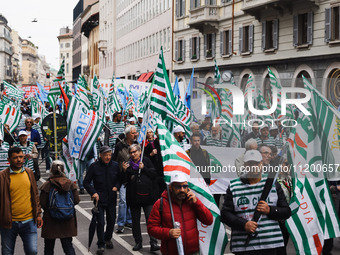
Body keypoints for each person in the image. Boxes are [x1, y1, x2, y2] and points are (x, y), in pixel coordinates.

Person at [221, 150, 291, 255]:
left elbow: (286, 211)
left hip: (270, 245)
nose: (253, 166)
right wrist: (244, 224)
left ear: (262, 164)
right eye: (250, 163)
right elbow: (225, 214)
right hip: (243, 246)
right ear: (245, 165)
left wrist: (270, 210)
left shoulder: (272, 183)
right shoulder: (234, 186)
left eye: (256, 163)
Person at [147, 172, 213, 255]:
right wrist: (168, 233)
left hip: (193, 252)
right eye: (178, 186)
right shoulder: (160, 204)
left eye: (185, 186)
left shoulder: (192, 201)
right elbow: (151, 228)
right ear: (170, 187)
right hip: (171, 252)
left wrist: (197, 203)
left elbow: (209, 220)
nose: (182, 190)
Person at [0, 147, 43, 255]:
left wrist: (38, 214)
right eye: (15, 158)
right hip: (9, 223)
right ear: (9, 160)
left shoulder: (29, 173)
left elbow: (35, 195)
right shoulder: (2, 176)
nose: (19, 160)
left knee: (32, 251)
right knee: (7, 252)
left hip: (29, 221)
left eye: (21, 157)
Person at [84, 146, 120, 255]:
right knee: (100, 222)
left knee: (111, 220)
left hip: (111, 199)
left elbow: (120, 179)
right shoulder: (94, 167)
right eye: (106, 155)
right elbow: (86, 182)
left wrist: (117, 186)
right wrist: (93, 192)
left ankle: (107, 238)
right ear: (100, 155)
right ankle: (101, 244)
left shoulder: (115, 165)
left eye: (109, 155)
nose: (108, 157)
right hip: (99, 199)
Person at [123, 144, 159, 251]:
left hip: (148, 197)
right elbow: (123, 180)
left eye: (135, 152)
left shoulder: (146, 161)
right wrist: (124, 171)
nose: (133, 154)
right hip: (134, 197)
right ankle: (138, 242)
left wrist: (144, 169)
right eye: (131, 152)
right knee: (135, 222)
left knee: (150, 220)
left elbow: (154, 174)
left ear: (139, 151)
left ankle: (153, 242)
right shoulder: (127, 164)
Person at [39, 160, 80, 255]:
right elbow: (76, 200)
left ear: (52, 170)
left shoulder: (47, 185)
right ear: (63, 169)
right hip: (67, 220)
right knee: (68, 247)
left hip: (51, 220)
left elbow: (42, 203)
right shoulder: (70, 184)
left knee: (49, 247)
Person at [113, 125, 137, 233]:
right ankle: (121, 223)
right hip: (123, 177)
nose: (135, 134)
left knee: (131, 200)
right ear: (127, 135)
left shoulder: (137, 145)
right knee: (123, 200)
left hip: (133, 178)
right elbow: (114, 160)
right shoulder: (119, 145)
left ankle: (129, 220)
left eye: (135, 132)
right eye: (133, 133)